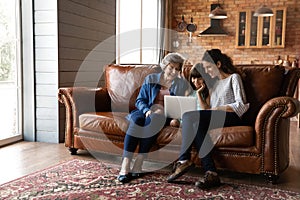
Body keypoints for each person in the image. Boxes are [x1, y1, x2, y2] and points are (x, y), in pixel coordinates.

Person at [167, 49, 249, 189]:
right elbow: (206, 111)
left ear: (218, 64)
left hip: (233, 116)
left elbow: (241, 105)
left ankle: (183, 160)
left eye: (208, 67)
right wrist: (199, 93)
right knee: (196, 124)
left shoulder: (233, 78)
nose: (207, 71)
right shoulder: (214, 84)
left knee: (188, 116)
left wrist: (216, 109)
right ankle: (211, 172)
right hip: (217, 117)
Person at [117, 52, 189, 183]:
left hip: (164, 116)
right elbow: (140, 100)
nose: (174, 71)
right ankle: (125, 164)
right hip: (145, 111)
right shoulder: (151, 78)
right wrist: (146, 110)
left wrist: (176, 119)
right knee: (137, 120)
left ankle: (139, 161)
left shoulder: (181, 84)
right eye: (171, 67)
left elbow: (181, 104)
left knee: (156, 118)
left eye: (177, 69)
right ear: (165, 65)